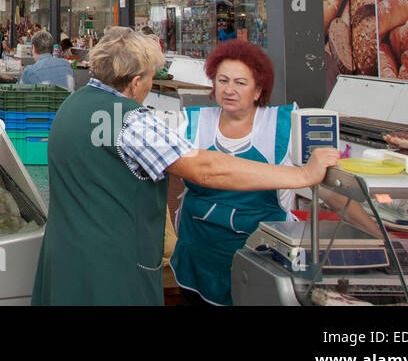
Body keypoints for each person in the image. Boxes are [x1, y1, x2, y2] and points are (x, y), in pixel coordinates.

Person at [31, 27, 338, 306]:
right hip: (111, 272)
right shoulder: (129, 120)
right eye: (151, 78)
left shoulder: (74, 104)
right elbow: (206, 169)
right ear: (136, 82)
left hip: (65, 259)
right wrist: (303, 175)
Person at [170, 39, 296, 306]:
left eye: (241, 82)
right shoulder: (191, 123)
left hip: (261, 261)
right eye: (222, 80)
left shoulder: (283, 128)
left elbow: (330, 184)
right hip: (199, 256)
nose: (229, 90)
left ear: (258, 90)